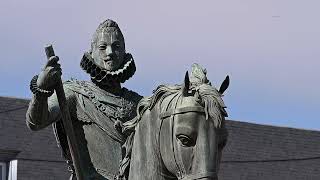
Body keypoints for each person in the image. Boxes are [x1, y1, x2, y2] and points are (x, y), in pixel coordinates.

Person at [26, 19, 142, 180]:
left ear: (124, 53)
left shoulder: (139, 105)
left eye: (116, 47)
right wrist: (41, 90)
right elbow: (36, 122)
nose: (109, 52)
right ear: (91, 53)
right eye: (102, 47)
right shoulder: (74, 93)